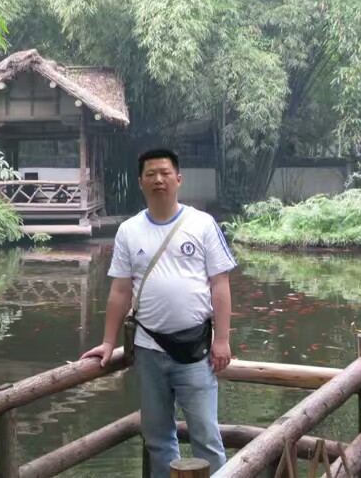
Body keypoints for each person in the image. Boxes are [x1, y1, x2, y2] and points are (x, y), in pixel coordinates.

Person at [81, 148, 236, 476]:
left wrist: (222, 340)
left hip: (196, 349)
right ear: (141, 182)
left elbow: (220, 285)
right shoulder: (129, 230)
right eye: (150, 174)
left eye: (165, 173)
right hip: (148, 350)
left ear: (178, 179)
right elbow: (120, 291)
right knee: (157, 438)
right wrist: (108, 342)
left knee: (207, 437)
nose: (158, 180)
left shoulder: (202, 224)